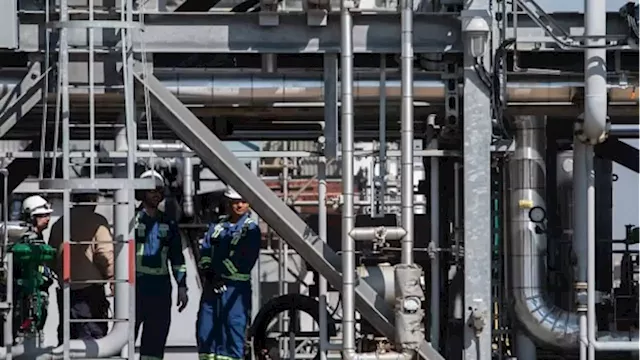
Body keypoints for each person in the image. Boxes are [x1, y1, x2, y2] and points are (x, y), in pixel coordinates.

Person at [196, 186, 261, 360]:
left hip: (235, 290)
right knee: (206, 330)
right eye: (235, 202)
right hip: (212, 288)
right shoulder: (217, 226)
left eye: (243, 201)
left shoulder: (251, 230)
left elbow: (245, 260)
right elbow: (206, 250)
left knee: (233, 331)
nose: (239, 205)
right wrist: (208, 271)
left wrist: (220, 273)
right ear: (228, 202)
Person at [134, 169, 189, 360]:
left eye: (159, 190)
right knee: (125, 339)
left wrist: (182, 286)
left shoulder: (169, 223)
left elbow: (177, 259)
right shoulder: (128, 220)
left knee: (155, 341)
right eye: (151, 190)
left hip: (160, 288)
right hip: (135, 288)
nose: (156, 194)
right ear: (141, 192)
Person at [48, 189, 114, 345]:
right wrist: (112, 277)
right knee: (92, 341)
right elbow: (104, 254)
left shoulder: (60, 223)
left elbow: (50, 256)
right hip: (90, 291)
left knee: (68, 340)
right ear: (92, 199)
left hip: (66, 289)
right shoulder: (97, 221)